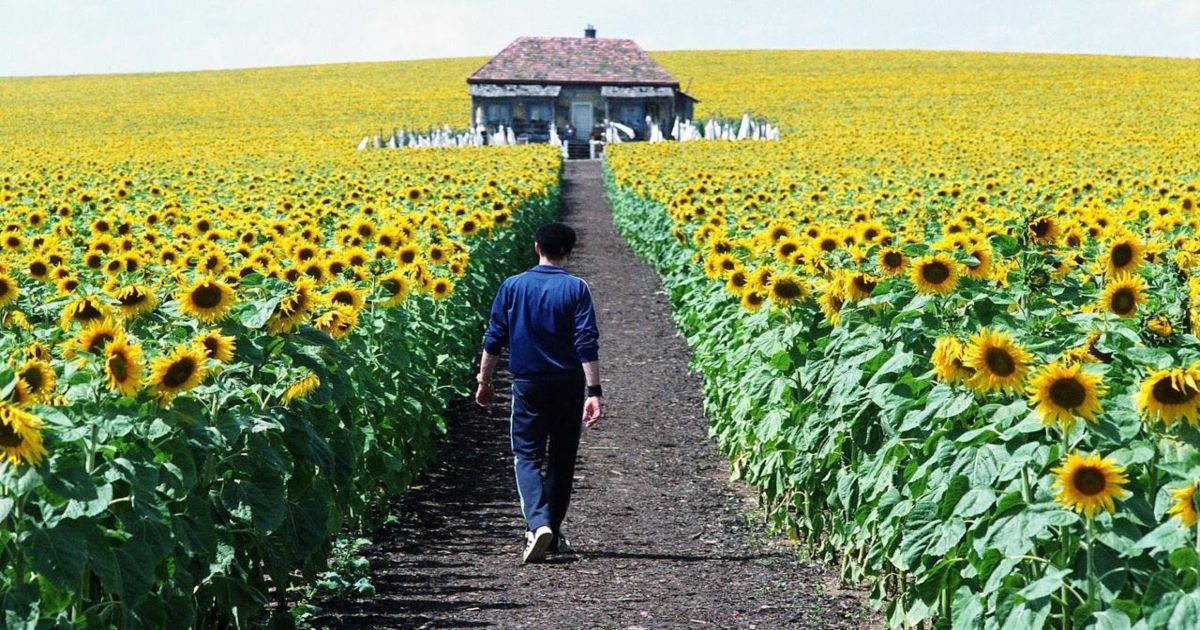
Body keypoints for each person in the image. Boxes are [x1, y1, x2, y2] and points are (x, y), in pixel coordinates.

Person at [475, 222, 604, 563]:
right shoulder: (577, 288)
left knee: (527, 455)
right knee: (562, 459)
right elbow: (586, 342)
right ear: (569, 252)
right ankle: (554, 532)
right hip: (568, 384)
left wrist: (484, 381)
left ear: (536, 247)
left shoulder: (513, 286)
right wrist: (594, 391)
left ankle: (538, 524)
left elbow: (494, 338)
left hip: (528, 384)